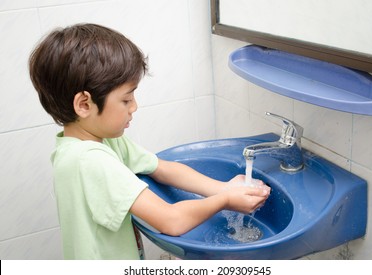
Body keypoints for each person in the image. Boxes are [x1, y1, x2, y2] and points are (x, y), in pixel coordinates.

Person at [28, 23, 271, 260]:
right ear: (84, 105)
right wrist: (226, 200)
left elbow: (162, 168)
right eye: (126, 100)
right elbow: (171, 221)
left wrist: (223, 188)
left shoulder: (97, 141)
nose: (134, 106)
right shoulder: (89, 161)